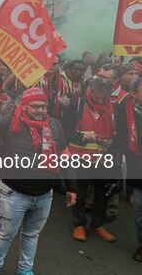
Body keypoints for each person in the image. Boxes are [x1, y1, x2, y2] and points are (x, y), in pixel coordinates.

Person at [0, 84, 76, 275]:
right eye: (35, 106)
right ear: (24, 106)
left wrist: (72, 187)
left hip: (44, 195)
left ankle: (25, 269)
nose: (39, 110)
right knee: (5, 234)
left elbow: (64, 156)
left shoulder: (54, 125)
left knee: (31, 234)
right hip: (14, 194)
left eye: (43, 106)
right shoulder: (11, 122)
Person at [62, 77, 119, 243]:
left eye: (104, 98)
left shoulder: (115, 108)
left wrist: (112, 142)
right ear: (91, 91)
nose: (100, 100)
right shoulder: (77, 104)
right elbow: (64, 130)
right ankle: (79, 224)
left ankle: (98, 224)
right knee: (79, 193)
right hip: (80, 156)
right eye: (97, 97)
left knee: (102, 194)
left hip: (103, 159)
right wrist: (82, 136)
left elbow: (119, 133)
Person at [118, 77, 142, 261]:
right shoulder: (125, 109)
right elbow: (123, 139)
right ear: (134, 93)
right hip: (137, 168)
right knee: (139, 211)